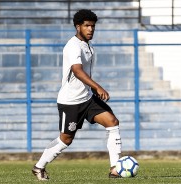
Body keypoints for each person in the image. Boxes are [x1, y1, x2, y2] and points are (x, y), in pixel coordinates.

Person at [32, 9, 122, 180]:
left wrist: (93, 90)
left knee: (112, 122)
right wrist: (98, 87)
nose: (91, 29)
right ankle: (39, 167)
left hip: (87, 99)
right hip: (70, 102)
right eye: (87, 26)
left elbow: (84, 73)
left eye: (93, 26)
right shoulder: (72, 46)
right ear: (78, 26)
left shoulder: (88, 46)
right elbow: (77, 71)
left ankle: (115, 169)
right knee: (65, 140)